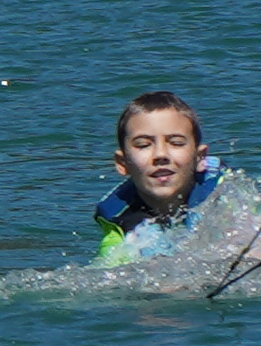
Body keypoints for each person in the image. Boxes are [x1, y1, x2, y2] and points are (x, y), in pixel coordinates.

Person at [92, 90, 224, 266]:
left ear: (200, 158)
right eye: (143, 145)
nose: (161, 154)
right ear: (123, 163)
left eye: (176, 143)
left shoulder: (225, 196)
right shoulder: (120, 231)